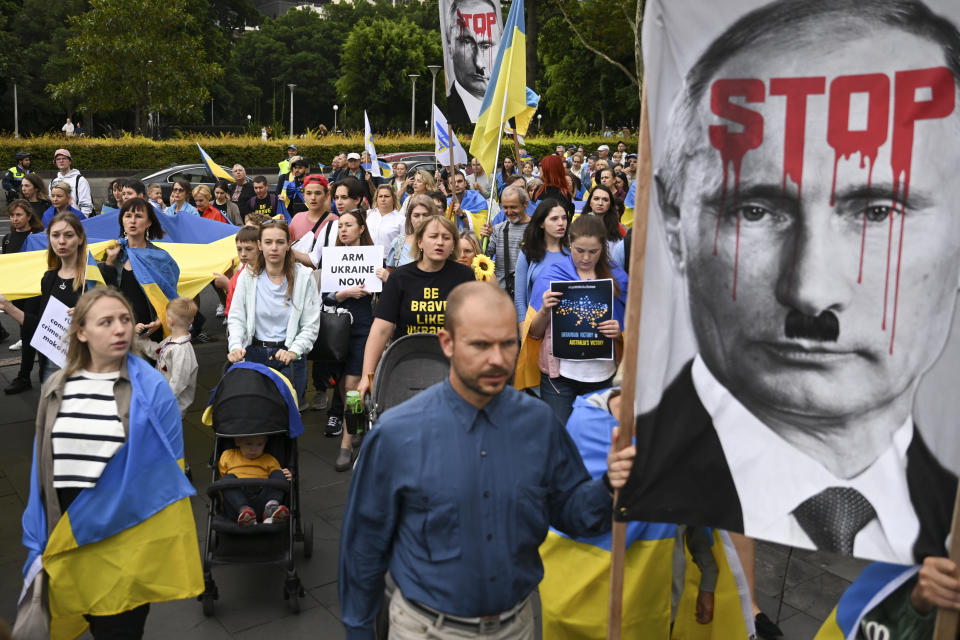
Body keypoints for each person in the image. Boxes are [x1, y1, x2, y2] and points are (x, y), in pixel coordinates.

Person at [616, 0, 960, 565]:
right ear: (674, 223)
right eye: (755, 210)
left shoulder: (941, 516)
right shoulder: (637, 470)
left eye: (877, 212)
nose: (809, 292)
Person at [340, 281, 637, 638]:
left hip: (519, 626)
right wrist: (358, 630)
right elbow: (363, 546)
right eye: (480, 345)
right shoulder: (394, 435)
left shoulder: (540, 425)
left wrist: (609, 486)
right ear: (446, 342)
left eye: (507, 344)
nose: (498, 359)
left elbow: (573, 514)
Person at [21, 287, 202, 639]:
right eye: (106, 321)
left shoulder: (152, 389)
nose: (120, 329)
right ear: (82, 331)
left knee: (118, 629)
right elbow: (41, 466)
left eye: (124, 319)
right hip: (67, 534)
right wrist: (38, 535)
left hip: (122, 540)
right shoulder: (55, 386)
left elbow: (166, 472)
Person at [522, 214, 628, 426]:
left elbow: (633, 327)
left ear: (603, 247)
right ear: (569, 242)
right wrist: (544, 309)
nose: (586, 258)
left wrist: (620, 332)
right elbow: (533, 332)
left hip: (603, 377)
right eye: (580, 250)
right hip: (559, 377)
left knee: (594, 441)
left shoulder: (617, 277)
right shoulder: (552, 274)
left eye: (593, 251)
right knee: (559, 440)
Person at [357, 215, 475, 400]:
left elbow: (472, 327)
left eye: (446, 237)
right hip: (406, 365)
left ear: (453, 244)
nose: (440, 242)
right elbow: (381, 330)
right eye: (433, 236)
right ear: (420, 242)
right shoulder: (400, 278)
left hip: (451, 367)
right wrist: (367, 376)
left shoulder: (464, 276)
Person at [226, 219, 320, 402]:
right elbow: (237, 318)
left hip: (289, 356)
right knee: (256, 414)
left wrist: (294, 351)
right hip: (253, 353)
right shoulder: (247, 276)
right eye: (268, 242)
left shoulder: (304, 277)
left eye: (280, 242)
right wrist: (236, 346)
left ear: (288, 244)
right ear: (260, 245)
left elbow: (310, 324)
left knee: (288, 417)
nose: (274, 248)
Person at [323, 209, 384, 471]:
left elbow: (387, 295)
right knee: (343, 386)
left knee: (351, 386)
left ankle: (346, 445)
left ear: (362, 228)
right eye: (340, 226)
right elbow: (325, 297)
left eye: (349, 225)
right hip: (336, 331)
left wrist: (385, 279)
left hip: (363, 329)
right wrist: (343, 293)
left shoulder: (374, 258)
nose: (343, 230)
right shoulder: (333, 258)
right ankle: (356, 424)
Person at [2, 210, 88, 392]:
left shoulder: (91, 278)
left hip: (86, 367)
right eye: (55, 235)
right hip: (50, 367)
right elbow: (41, 325)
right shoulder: (48, 278)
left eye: (68, 235)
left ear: (80, 239)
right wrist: (7, 307)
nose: (61, 241)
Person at [100, 198, 176, 345]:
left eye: (139, 216)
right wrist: (109, 262)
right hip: (119, 332)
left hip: (150, 332)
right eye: (128, 216)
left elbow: (170, 296)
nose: (132, 221)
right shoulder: (112, 254)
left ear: (149, 222)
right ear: (122, 220)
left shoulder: (160, 257)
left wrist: (160, 320)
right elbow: (104, 293)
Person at [442, 0, 502, 123]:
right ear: (450, 47)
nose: (479, 64)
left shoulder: (509, 113)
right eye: (467, 43)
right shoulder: (453, 112)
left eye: (486, 46)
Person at [514, 200, 570, 324]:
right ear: (541, 223)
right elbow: (519, 298)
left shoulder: (575, 252)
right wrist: (524, 330)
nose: (561, 223)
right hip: (536, 328)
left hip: (568, 326)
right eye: (554, 219)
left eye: (564, 218)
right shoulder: (528, 253)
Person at [217, 434, 292, 526]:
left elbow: (277, 483)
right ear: (238, 441)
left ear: (265, 444)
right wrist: (221, 503)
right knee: (226, 480)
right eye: (249, 444)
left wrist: (286, 476)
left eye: (259, 444)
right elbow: (221, 484)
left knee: (279, 473)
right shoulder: (228, 456)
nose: (254, 449)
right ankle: (245, 511)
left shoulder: (269, 459)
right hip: (237, 505)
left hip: (262, 500)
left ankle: (271, 509)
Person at [480, 185, 530, 297]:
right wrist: (484, 239)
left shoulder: (536, 229)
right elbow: (483, 258)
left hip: (528, 295)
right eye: (505, 207)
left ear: (525, 204)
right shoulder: (498, 229)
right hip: (503, 294)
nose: (509, 212)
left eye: (513, 207)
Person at [154, 296, 199, 418]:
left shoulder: (181, 349)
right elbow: (155, 351)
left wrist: (162, 403)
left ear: (170, 320)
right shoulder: (171, 341)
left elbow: (178, 382)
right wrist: (140, 338)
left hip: (172, 408)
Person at [290, 175, 339, 268]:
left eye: (318, 193)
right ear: (303, 195)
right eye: (309, 193)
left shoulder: (336, 222)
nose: (313, 197)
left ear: (327, 195)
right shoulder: (297, 218)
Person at [213, 226, 261, 319]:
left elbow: (249, 303)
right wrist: (230, 276)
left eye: (248, 249)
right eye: (239, 249)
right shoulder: (244, 269)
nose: (243, 254)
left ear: (260, 247)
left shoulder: (261, 273)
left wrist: (227, 284)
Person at [386, 195, 437, 270]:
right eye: (416, 216)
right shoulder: (398, 243)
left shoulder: (441, 243)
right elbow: (391, 274)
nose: (421, 220)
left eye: (425, 215)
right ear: (410, 218)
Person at [580, 184, 625, 259]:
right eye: (596, 199)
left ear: (610, 204)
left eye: (605, 200)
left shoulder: (618, 227)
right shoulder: (579, 225)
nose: (600, 203)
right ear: (590, 203)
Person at [49, 148, 92, 217]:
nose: (61, 161)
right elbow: (52, 203)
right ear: (55, 162)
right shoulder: (54, 181)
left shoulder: (80, 180)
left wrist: (81, 221)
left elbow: (86, 205)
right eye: (58, 159)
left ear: (70, 161)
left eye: (64, 158)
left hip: (76, 221)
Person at [365, 183, 404, 256]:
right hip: (368, 260)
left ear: (393, 198)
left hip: (388, 262)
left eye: (386, 196)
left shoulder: (401, 220)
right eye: (380, 196)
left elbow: (400, 246)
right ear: (376, 198)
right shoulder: (367, 215)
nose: (383, 199)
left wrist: (394, 264)